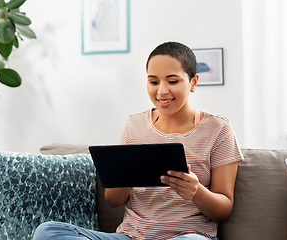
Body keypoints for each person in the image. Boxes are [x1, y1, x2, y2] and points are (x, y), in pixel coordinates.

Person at [33, 41, 243, 240]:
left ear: (193, 82)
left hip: (187, 236)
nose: (161, 91)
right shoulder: (134, 125)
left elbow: (223, 210)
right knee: (48, 232)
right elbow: (113, 201)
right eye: (153, 81)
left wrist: (196, 192)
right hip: (131, 235)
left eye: (172, 81)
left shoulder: (219, 129)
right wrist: (124, 176)